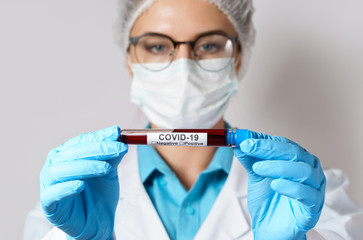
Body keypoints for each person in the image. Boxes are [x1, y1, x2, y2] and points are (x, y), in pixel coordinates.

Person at [24, 0, 363, 239]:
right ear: (130, 60)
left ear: (239, 58)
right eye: (157, 47)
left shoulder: (312, 196)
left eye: (209, 46)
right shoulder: (70, 197)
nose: (183, 65)